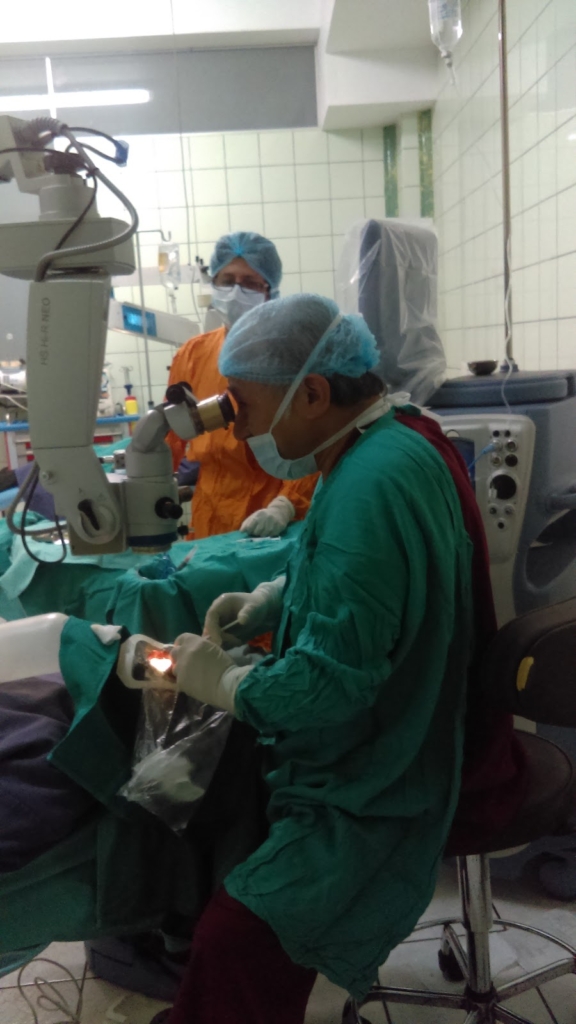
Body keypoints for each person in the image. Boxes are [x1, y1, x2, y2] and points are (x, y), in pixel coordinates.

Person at [148, 293, 498, 1024]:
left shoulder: (373, 480)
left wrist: (226, 683)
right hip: (387, 722)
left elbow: (328, 688)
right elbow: (370, 577)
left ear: (312, 393)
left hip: (383, 770)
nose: (237, 425)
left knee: (236, 935)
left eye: (243, 404)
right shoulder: (389, 441)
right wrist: (276, 598)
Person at [166, 232, 319, 539]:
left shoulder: (291, 354)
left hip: (273, 517)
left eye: (250, 283)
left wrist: (286, 504)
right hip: (210, 517)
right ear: (213, 282)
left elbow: (315, 440)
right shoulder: (193, 354)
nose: (236, 291)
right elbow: (170, 437)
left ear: (269, 290)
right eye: (227, 281)